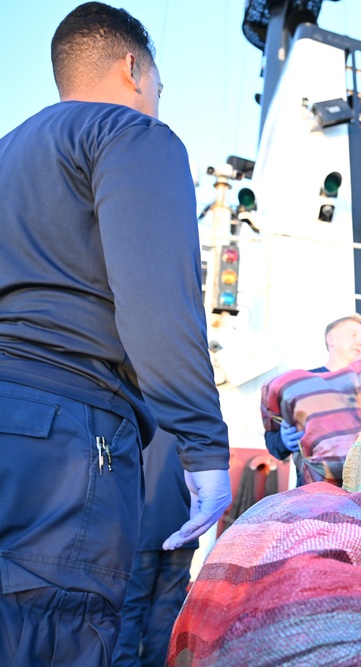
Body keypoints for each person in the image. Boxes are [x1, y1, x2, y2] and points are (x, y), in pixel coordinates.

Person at [0, 3, 231, 664]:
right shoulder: (129, 133)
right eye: (159, 83)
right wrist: (205, 448)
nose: (156, 98)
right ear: (134, 68)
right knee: (55, 633)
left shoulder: (9, 151)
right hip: (68, 437)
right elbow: (158, 299)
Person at [112, 430, 196, 667]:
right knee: (167, 609)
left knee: (129, 606)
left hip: (141, 526)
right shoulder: (189, 417)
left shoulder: (137, 412)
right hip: (184, 525)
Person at [263, 314, 361, 485]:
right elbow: (273, 441)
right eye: (354, 334)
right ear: (331, 339)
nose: (360, 341)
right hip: (313, 491)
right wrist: (283, 440)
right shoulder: (301, 385)